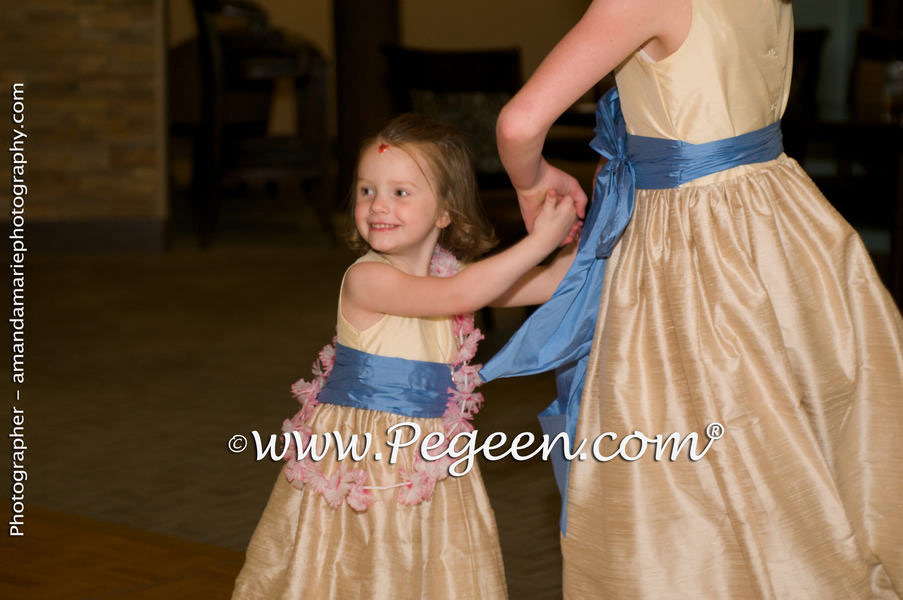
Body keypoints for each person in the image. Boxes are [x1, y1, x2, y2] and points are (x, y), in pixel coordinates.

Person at [479, 0, 903, 597]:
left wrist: (531, 184)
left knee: (693, 440)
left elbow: (519, 125)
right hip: (782, 216)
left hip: (693, 237)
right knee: (797, 420)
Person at [231, 113, 578, 599]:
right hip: (365, 458)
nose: (378, 206)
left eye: (400, 192)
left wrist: (580, 240)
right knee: (366, 568)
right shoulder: (367, 279)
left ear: (444, 210)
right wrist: (538, 241)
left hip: (427, 453)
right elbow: (458, 296)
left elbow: (544, 284)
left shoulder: (444, 270)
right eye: (367, 190)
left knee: (429, 564)